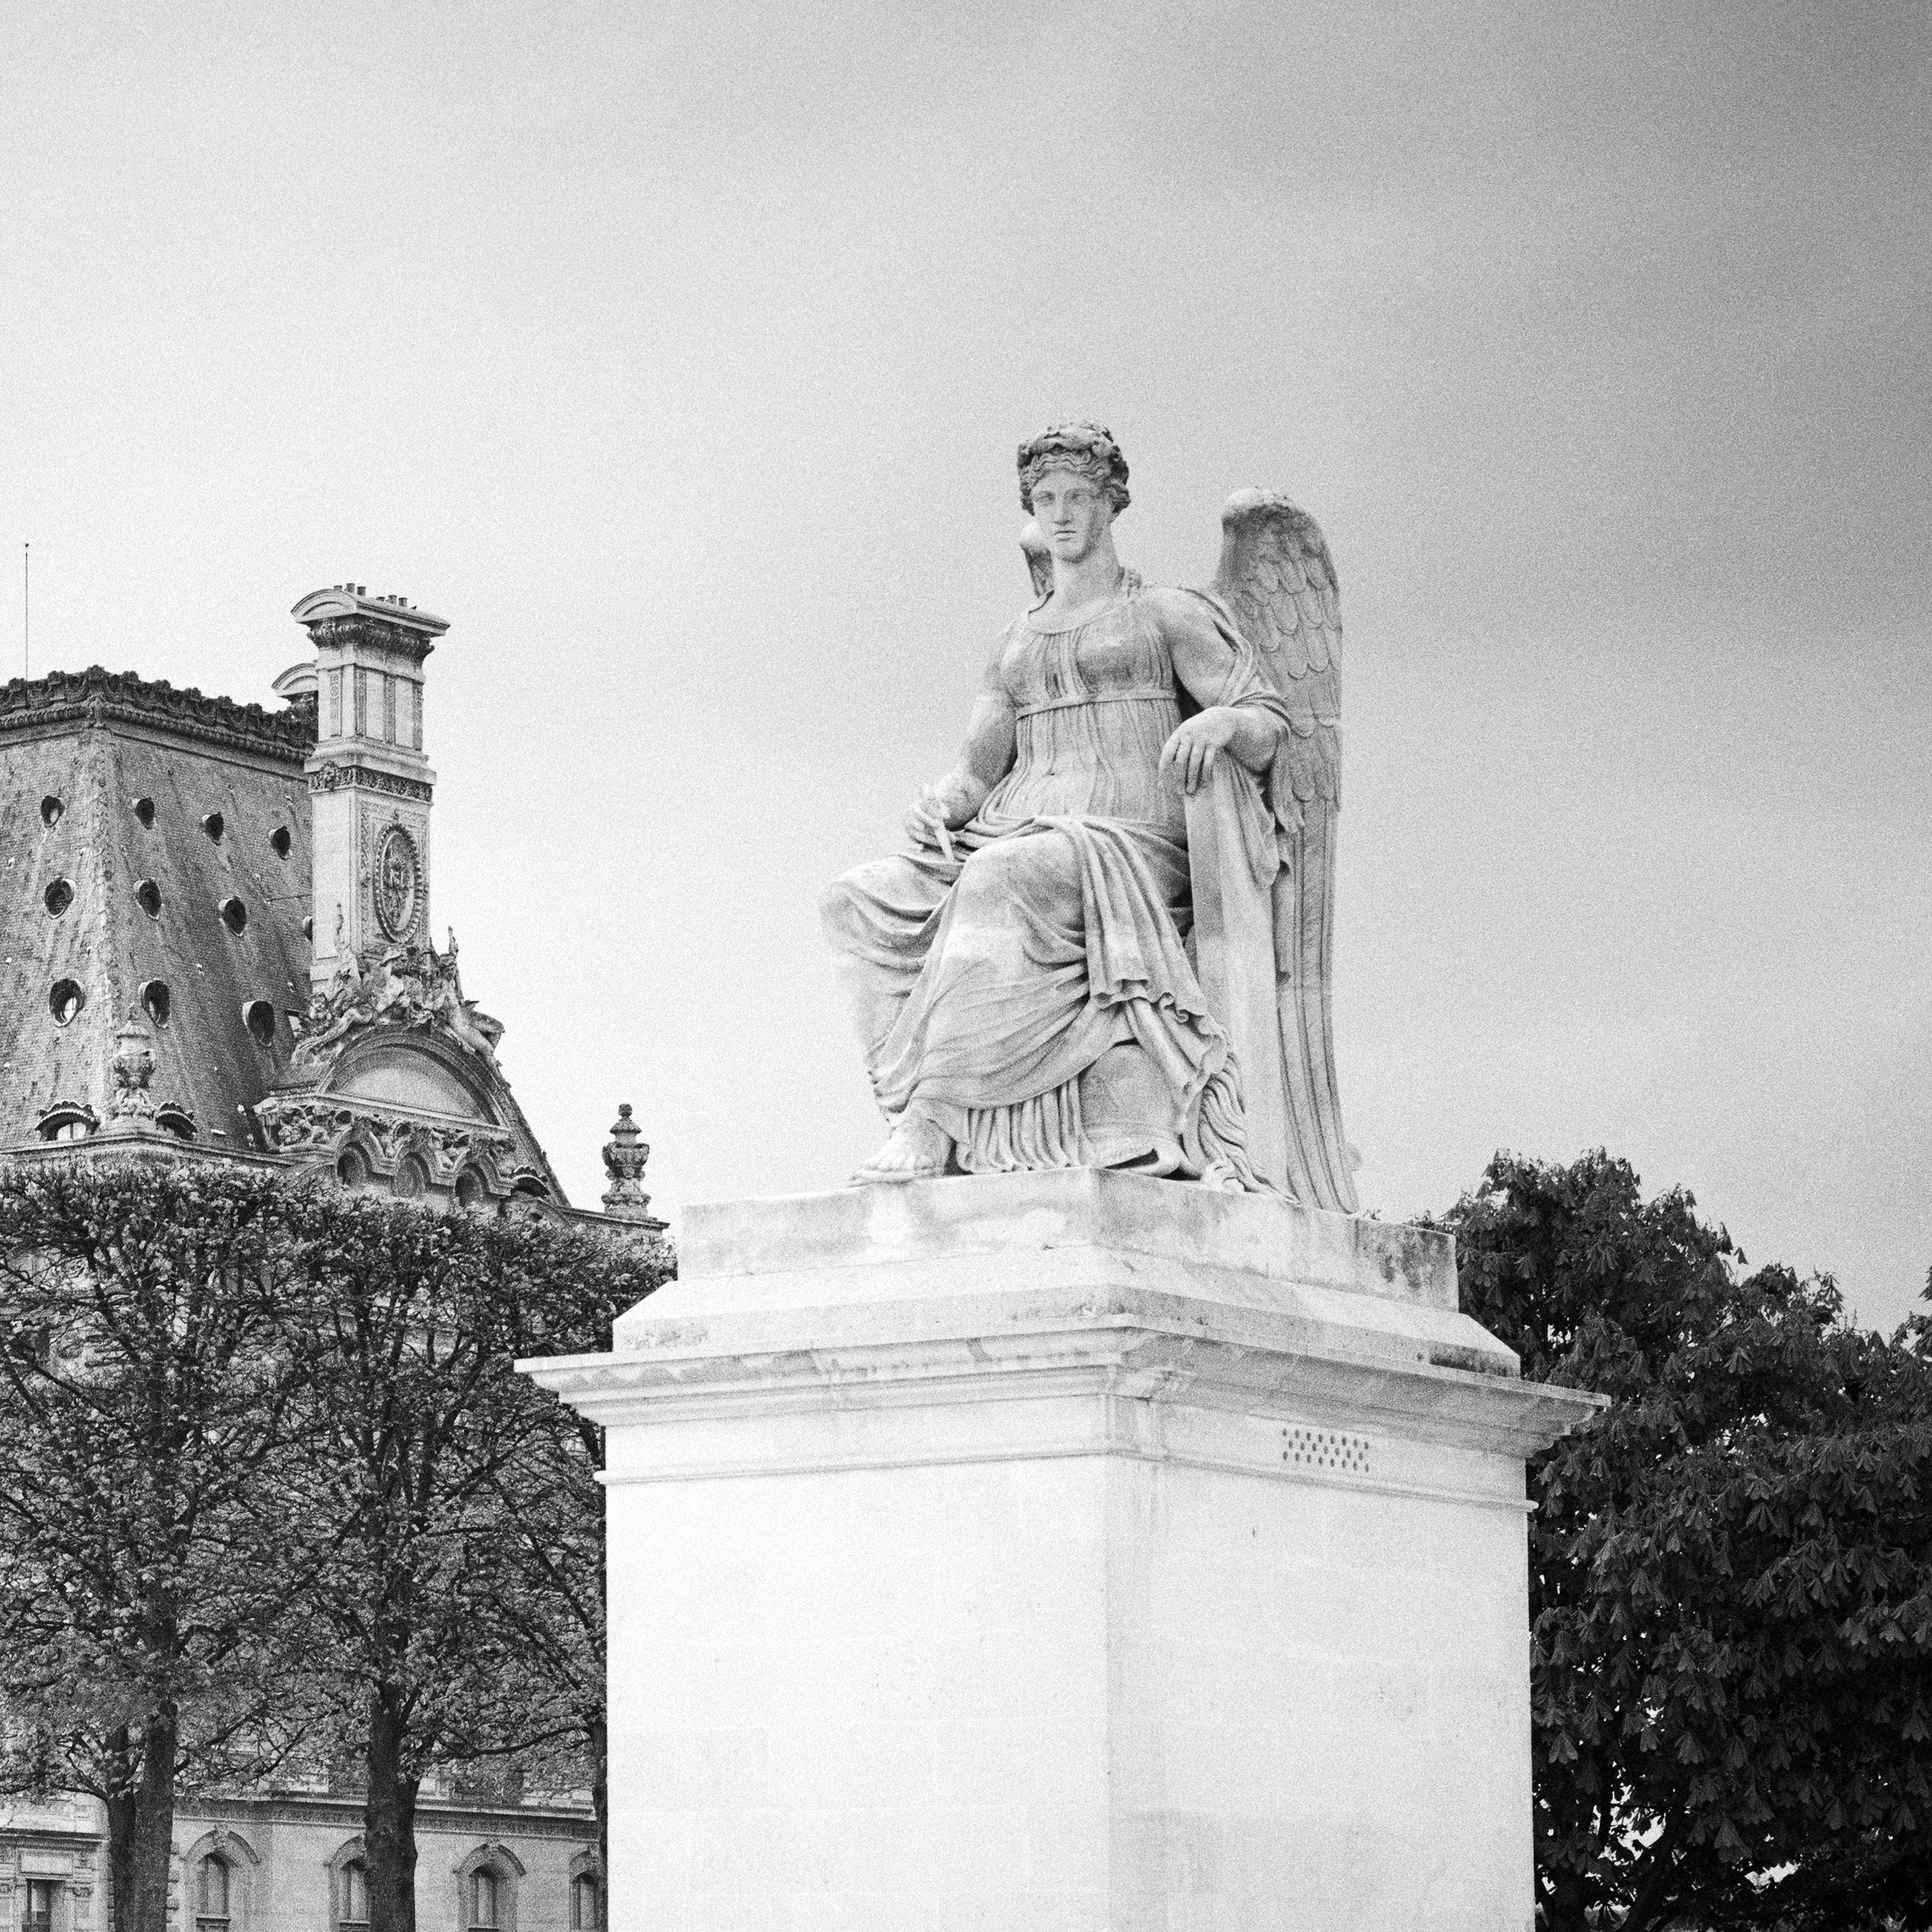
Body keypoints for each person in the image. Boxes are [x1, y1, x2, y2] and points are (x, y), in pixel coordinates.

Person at [821, 422, 1292, 1185]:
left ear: (1113, 505)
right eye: (1046, 500)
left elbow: (1270, 724)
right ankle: (942, 1110)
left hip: (1133, 835)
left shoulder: (1167, 612)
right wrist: (942, 804)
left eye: (1079, 497)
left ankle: (934, 1117)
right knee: (854, 899)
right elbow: (975, 776)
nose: (1063, 514)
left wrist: (1223, 720)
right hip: (1017, 825)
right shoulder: (1018, 641)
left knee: (1002, 878)